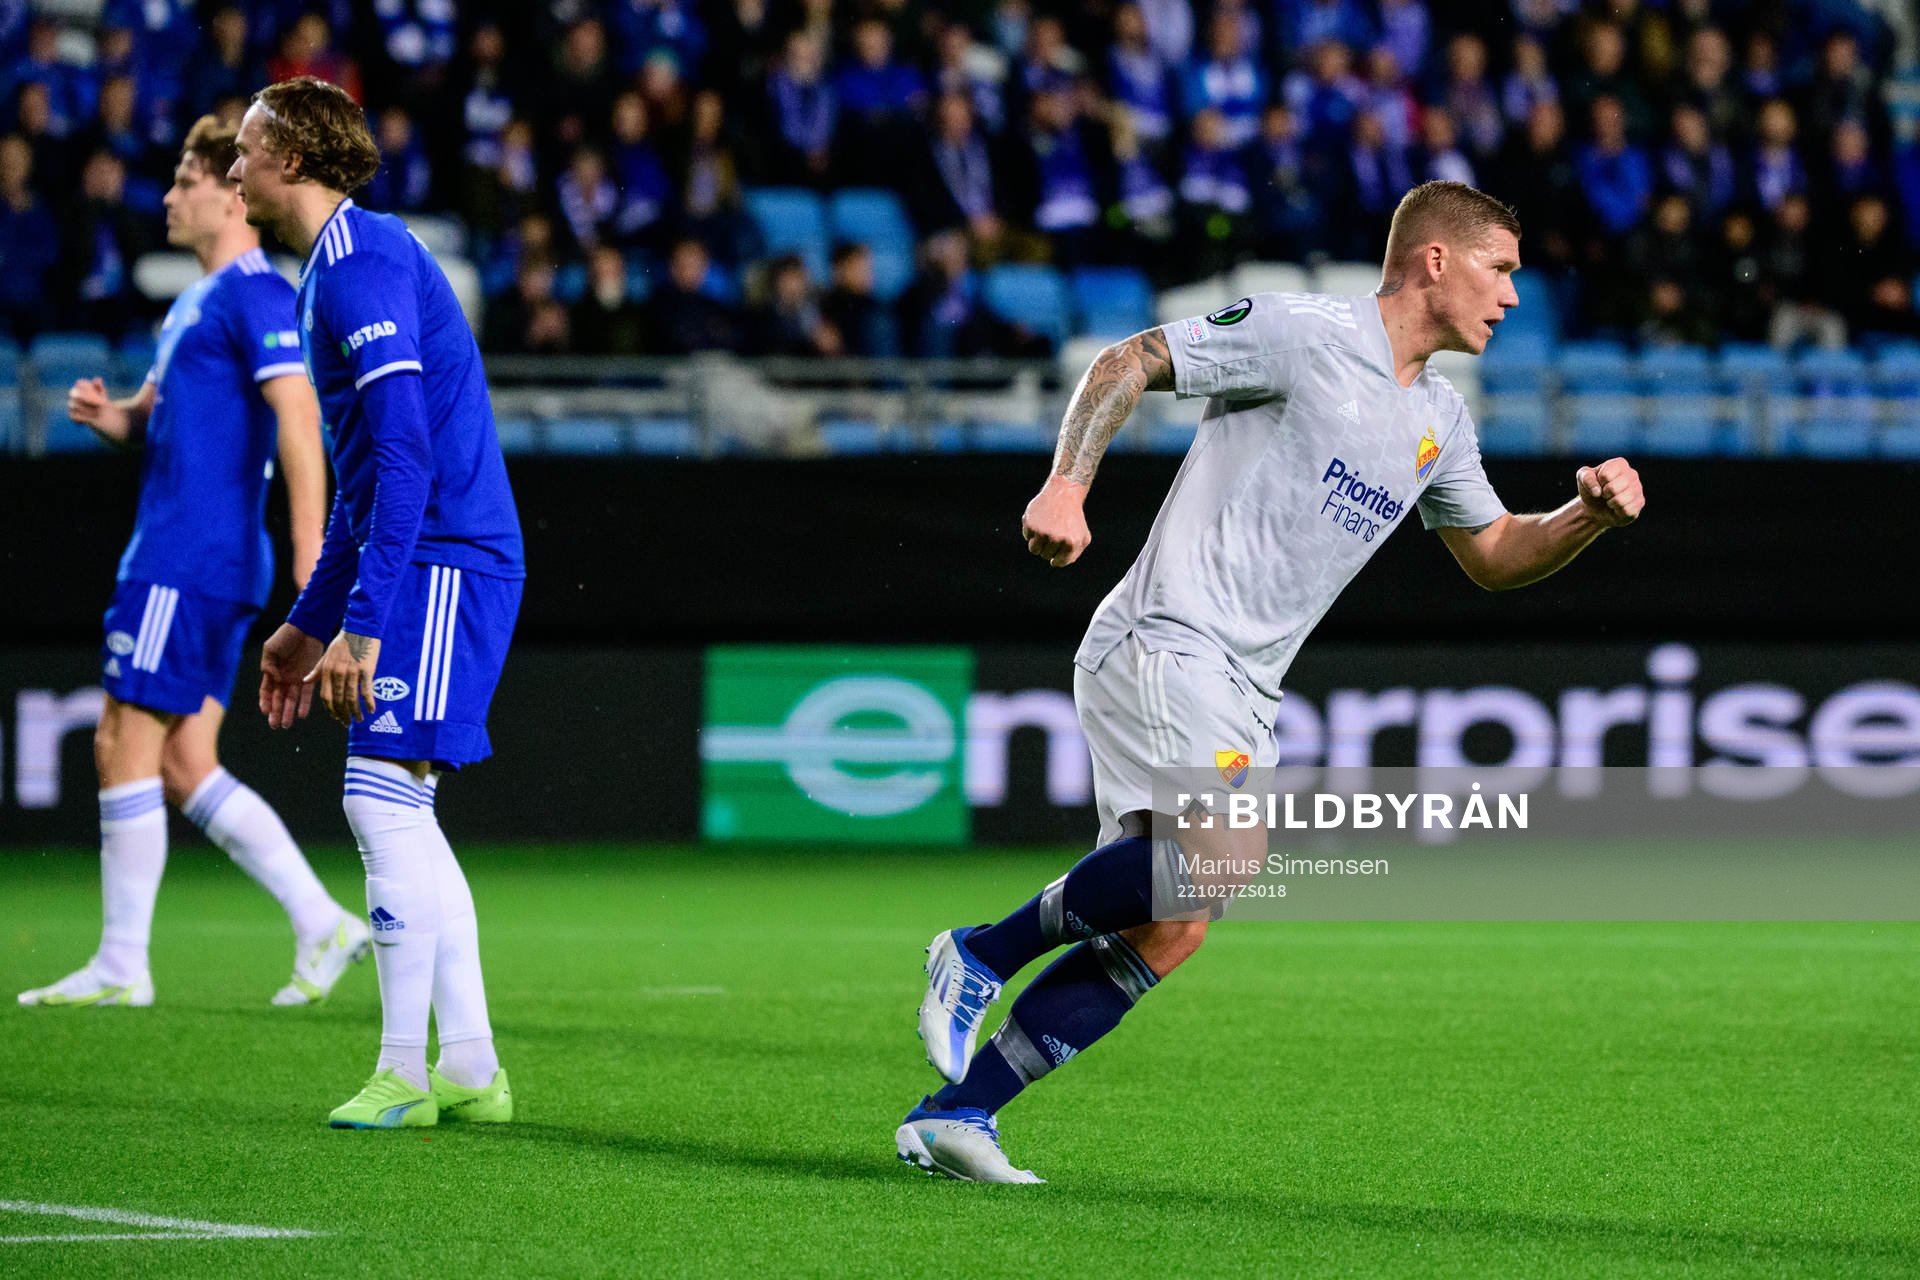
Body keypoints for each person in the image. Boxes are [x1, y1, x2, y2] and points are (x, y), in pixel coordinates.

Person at [898, 181, 1646, 1182]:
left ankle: (958, 1113)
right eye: (1499, 268)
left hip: (1247, 684)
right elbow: (1129, 359)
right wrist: (1067, 484)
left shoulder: (1440, 416)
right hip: (1169, 636)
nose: (1513, 295)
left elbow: (1498, 553)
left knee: (1174, 923)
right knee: (1221, 860)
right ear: (1435, 260)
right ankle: (979, 953)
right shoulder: (1303, 333)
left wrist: (1586, 516)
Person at [17, 115, 362, 1010]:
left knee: (118, 742)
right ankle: (322, 921)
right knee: (183, 764)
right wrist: (114, 418)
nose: (169, 196)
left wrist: (312, 552)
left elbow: (298, 417)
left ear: (231, 195)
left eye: (185, 180)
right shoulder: (197, 302)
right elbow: (158, 416)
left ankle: (121, 966)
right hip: (205, 560)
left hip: (185, 559)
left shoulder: (254, 293)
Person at [232, 76, 525, 1130]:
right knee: (402, 808)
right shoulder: (335, 267)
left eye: (247, 149)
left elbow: (406, 460)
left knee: (380, 797)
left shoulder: (358, 268)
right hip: (428, 553)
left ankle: (406, 1071)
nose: (234, 168)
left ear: (293, 160)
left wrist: (360, 627)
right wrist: (307, 625)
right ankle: (471, 1067)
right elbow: (364, 487)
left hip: (446, 557)